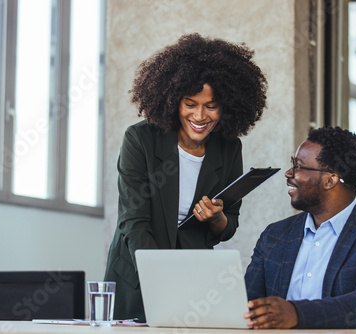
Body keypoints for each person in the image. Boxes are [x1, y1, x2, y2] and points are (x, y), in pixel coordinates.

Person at [104, 33, 268, 321]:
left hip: (193, 274)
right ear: (172, 100)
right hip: (138, 272)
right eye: (190, 103)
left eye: (211, 105)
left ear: (227, 106)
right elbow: (133, 220)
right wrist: (161, 275)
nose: (200, 115)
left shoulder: (229, 148)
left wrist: (216, 218)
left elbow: (229, 224)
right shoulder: (140, 139)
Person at [244, 126, 356, 329]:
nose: (289, 173)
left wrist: (296, 313)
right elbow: (246, 303)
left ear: (330, 180)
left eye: (299, 166)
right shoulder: (275, 235)